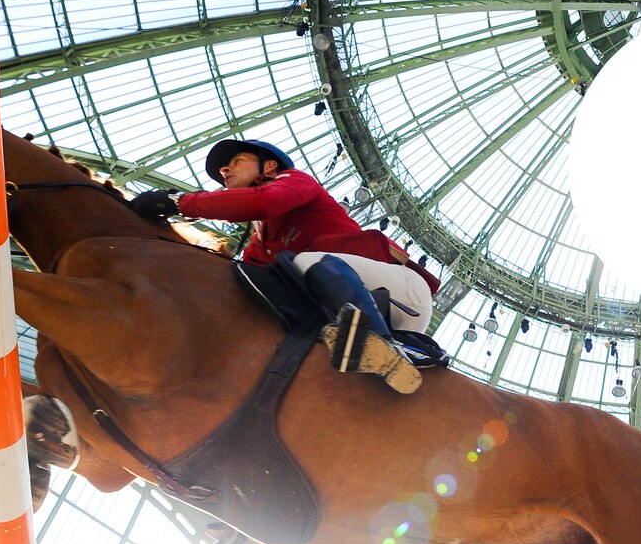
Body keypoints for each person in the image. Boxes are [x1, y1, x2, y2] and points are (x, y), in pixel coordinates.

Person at [133, 139, 439, 394]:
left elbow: (261, 202)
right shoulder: (260, 241)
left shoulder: (295, 182)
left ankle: (381, 344)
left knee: (306, 261)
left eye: (236, 160)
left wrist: (179, 203)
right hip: (356, 307)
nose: (225, 171)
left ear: (268, 166)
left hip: (402, 293)